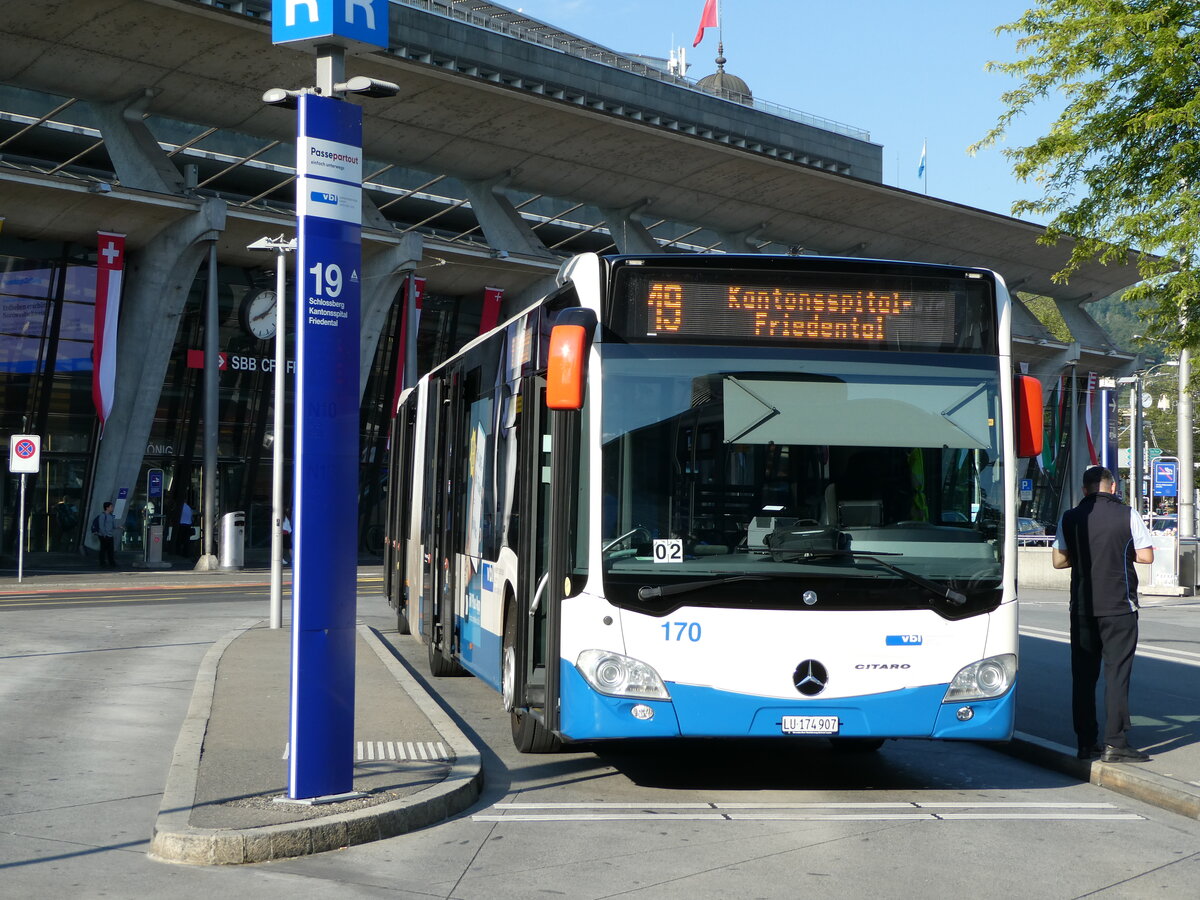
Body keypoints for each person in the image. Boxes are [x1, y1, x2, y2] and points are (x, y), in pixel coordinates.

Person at [1052, 465, 1154, 763]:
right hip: (1120, 607)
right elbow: (1146, 555)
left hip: (1082, 609)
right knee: (1117, 675)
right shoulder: (1127, 514)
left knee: (1083, 677)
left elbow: (1058, 561)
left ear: (1085, 490)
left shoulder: (1069, 517)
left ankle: (1086, 744)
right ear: (1112, 488)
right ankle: (1115, 743)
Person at [91, 501, 118, 568]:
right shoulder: (102, 516)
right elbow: (101, 526)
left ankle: (111, 562)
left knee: (110, 549)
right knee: (103, 549)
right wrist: (104, 534)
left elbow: (113, 525)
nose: (112, 508)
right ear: (107, 508)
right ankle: (103, 562)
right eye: (111, 507)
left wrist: (119, 527)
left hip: (110, 535)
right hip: (104, 535)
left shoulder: (111, 516)